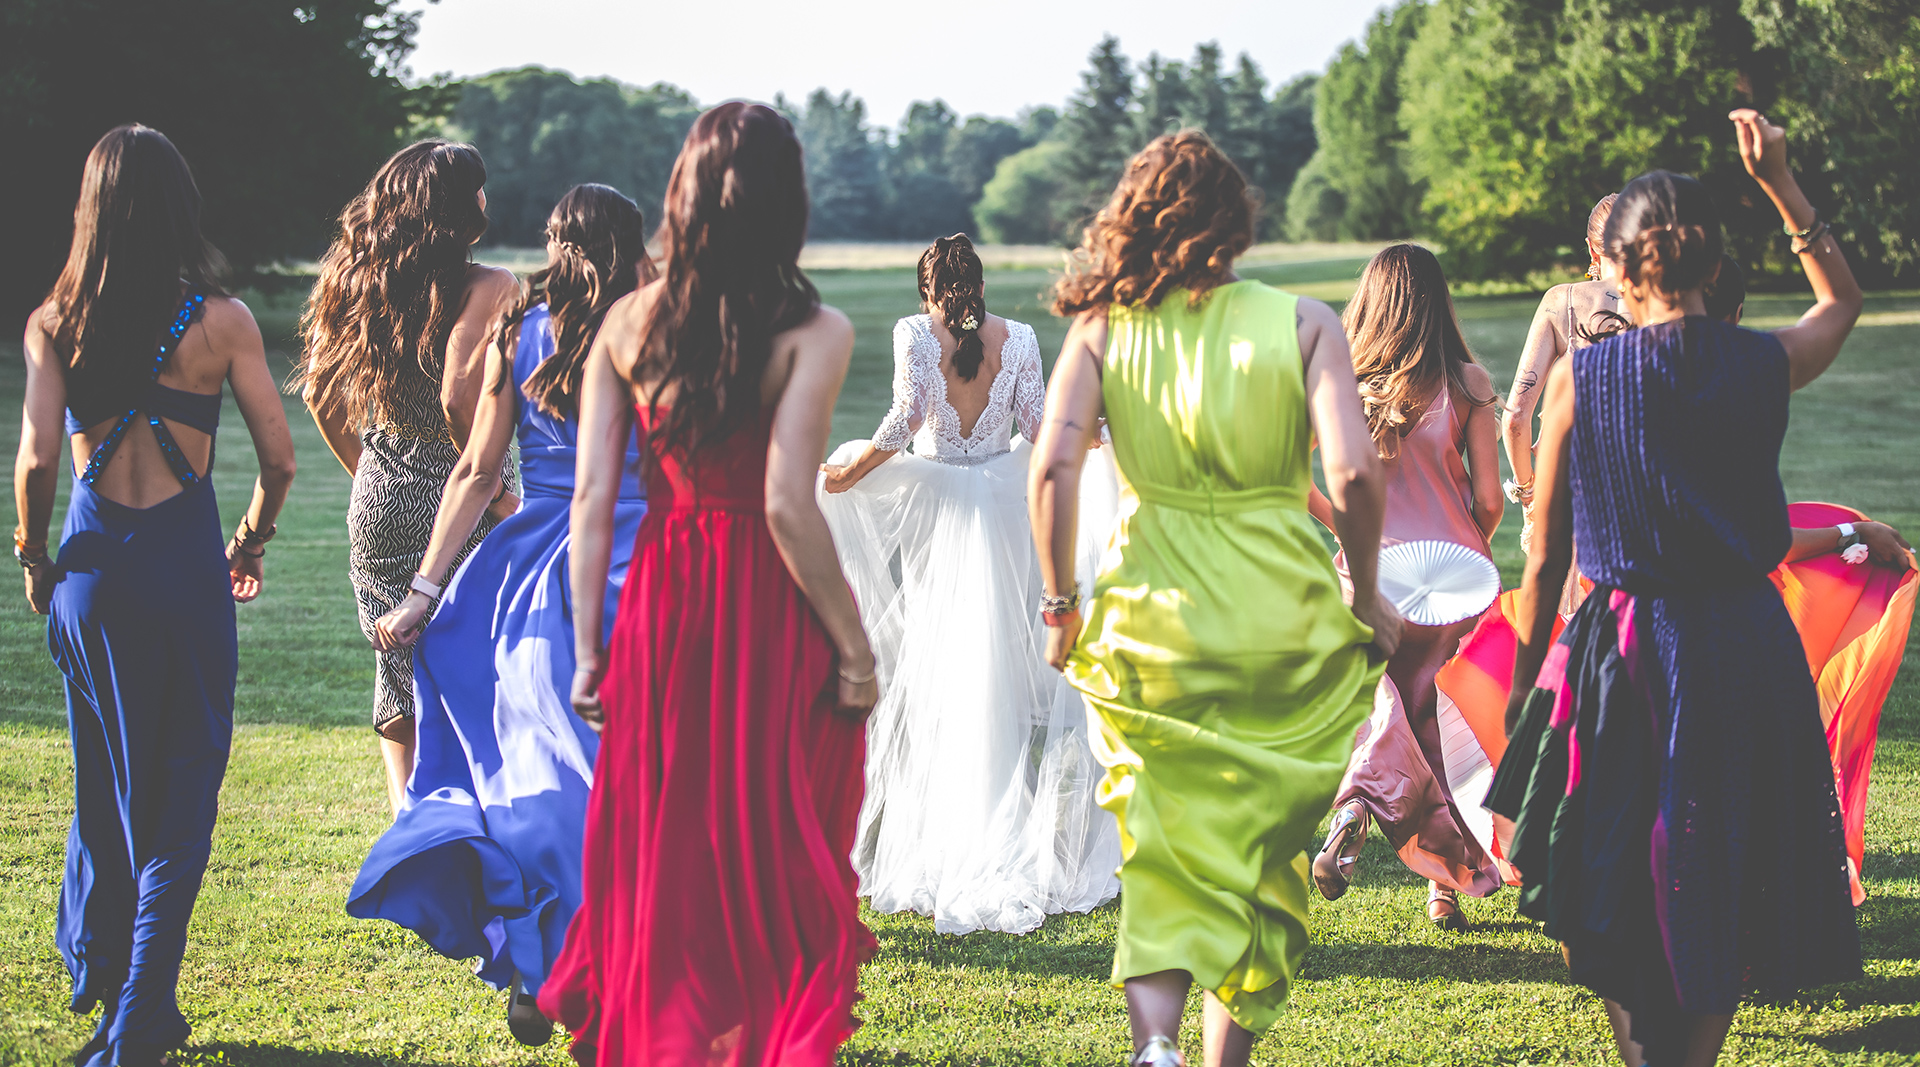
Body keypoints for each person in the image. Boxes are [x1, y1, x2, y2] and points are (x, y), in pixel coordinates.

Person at [1489, 110, 1865, 1067]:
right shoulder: (1764, 361)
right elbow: (1841, 304)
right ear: (1713, 259)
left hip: (1617, 650)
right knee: (1719, 860)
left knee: (1605, 863)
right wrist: (1782, 182)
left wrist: (1526, 688)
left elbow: (1540, 561)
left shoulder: (1584, 377)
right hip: (1743, 647)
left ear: (1612, 268)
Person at [1030, 130, 1401, 1067]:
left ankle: (1156, 1046)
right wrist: (1363, 590)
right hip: (1282, 615)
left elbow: (1051, 472)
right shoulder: (1305, 321)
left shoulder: (1103, 331)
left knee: (1162, 845)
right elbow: (1354, 474)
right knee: (1267, 852)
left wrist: (1059, 606)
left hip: (1152, 620)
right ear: (1236, 222)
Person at [539, 102, 878, 1066]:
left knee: (668, 830)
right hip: (767, 604)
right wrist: (855, 646)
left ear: (681, 195)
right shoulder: (814, 328)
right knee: (772, 831)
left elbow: (593, 502)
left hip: (661, 600)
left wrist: (592, 651)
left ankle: (666, 1027)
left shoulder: (624, 324)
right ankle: (753, 1034)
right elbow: (784, 503)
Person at [344, 184, 652, 1047]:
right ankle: (594, 967)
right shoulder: (660, 332)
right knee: (626, 784)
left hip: (527, 577)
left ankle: (537, 960)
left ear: (556, 247)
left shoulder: (521, 331)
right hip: (640, 563)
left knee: (535, 776)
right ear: (634, 246)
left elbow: (476, 471)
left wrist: (425, 591)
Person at [15, 125, 297, 1067]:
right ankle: (138, 1013)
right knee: (182, 787)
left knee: (104, 780)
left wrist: (31, 558)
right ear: (180, 204)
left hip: (89, 577)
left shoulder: (55, 321)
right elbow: (279, 457)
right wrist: (247, 540)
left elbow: (37, 460)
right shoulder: (223, 322)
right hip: (183, 573)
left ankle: (102, 970)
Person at [816, 234, 1121, 935]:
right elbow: (1042, 429)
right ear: (978, 286)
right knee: (989, 671)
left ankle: (952, 836)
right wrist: (1097, 436)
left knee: (940, 671)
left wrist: (848, 473)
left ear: (929, 290)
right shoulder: (1017, 341)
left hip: (938, 509)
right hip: (997, 504)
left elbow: (903, 421)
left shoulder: (913, 335)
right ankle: (986, 819)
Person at [295, 140, 521, 812]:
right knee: (481, 676)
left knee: (399, 678)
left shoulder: (358, 282)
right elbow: (458, 398)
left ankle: (410, 826)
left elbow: (317, 393)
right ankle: (478, 832)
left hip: (381, 497)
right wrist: (493, 489)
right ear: (465, 205)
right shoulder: (491, 285)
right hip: (463, 497)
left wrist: (371, 474)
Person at [1306, 244, 1504, 930]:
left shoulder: (1342, 387)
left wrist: (1349, 530)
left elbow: (1296, 480)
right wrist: (1466, 538)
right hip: (1454, 581)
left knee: (1377, 707)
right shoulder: (1468, 384)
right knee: (1445, 729)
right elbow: (1489, 500)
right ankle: (1445, 887)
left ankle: (1356, 803)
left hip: (1371, 573)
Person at [1505, 194, 1624, 611]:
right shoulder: (1670, 307)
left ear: (1593, 250)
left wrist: (1528, 495)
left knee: (1572, 637)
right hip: (1654, 496)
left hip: (1573, 496)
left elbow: (1517, 416)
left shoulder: (1563, 302)